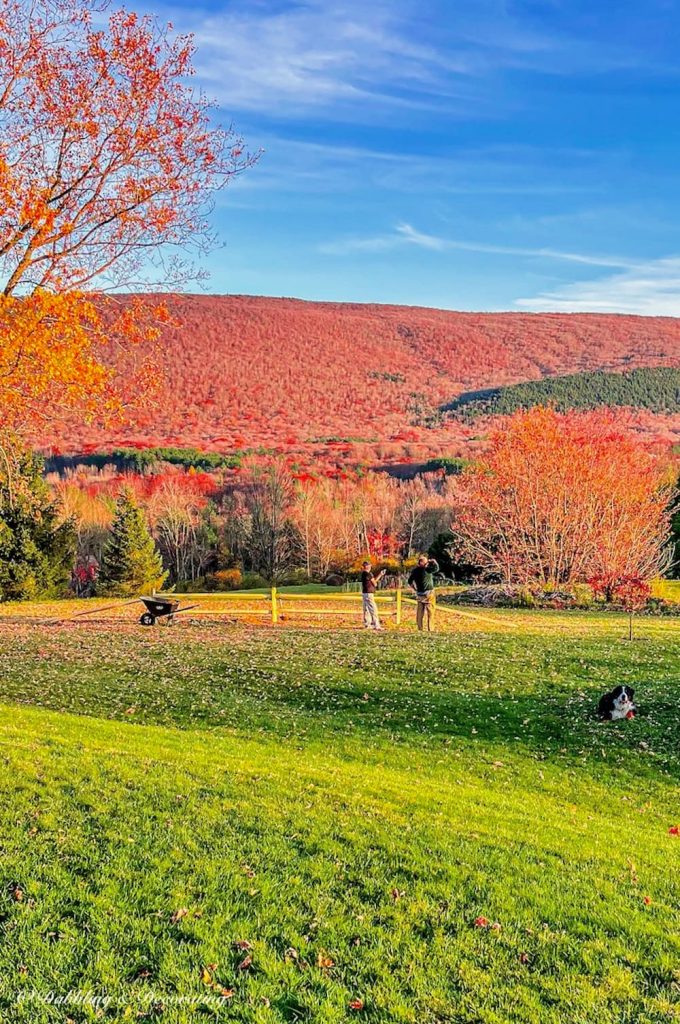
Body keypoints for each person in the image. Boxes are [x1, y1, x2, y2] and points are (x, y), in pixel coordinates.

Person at [408, 554, 439, 631]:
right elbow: (436, 568)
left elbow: (409, 581)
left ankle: (420, 628)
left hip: (419, 594)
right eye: (425, 562)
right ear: (421, 563)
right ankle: (430, 629)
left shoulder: (415, 571)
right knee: (430, 612)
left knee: (419, 613)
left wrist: (415, 589)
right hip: (429, 594)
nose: (427, 564)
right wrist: (434, 561)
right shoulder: (427, 569)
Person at [360, 560, 386, 630]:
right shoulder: (369, 574)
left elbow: (373, 581)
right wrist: (380, 575)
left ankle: (367, 624)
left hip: (364, 593)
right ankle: (376, 625)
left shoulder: (363, 574)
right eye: (369, 565)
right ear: (368, 566)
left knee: (366, 610)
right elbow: (375, 583)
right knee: (373, 609)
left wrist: (380, 575)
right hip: (369, 594)